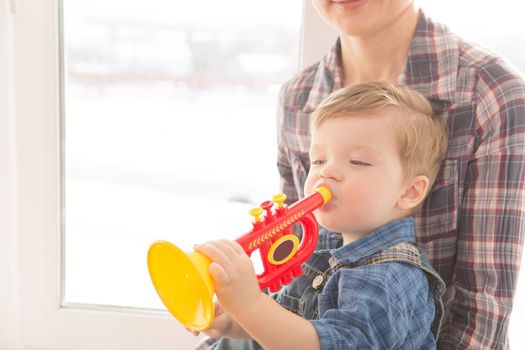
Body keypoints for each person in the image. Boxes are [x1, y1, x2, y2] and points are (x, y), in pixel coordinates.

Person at [276, 1, 525, 348]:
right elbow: (293, 259)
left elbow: (482, 309)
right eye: (318, 162)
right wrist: (243, 314)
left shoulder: (491, 93)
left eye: (359, 162)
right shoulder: (296, 98)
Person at [193, 81, 449, 349]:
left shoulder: (391, 277)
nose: (326, 173)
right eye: (318, 160)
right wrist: (233, 321)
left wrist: (249, 304)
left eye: (357, 161)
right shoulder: (317, 246)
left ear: (409, 191)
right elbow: (284, 323)